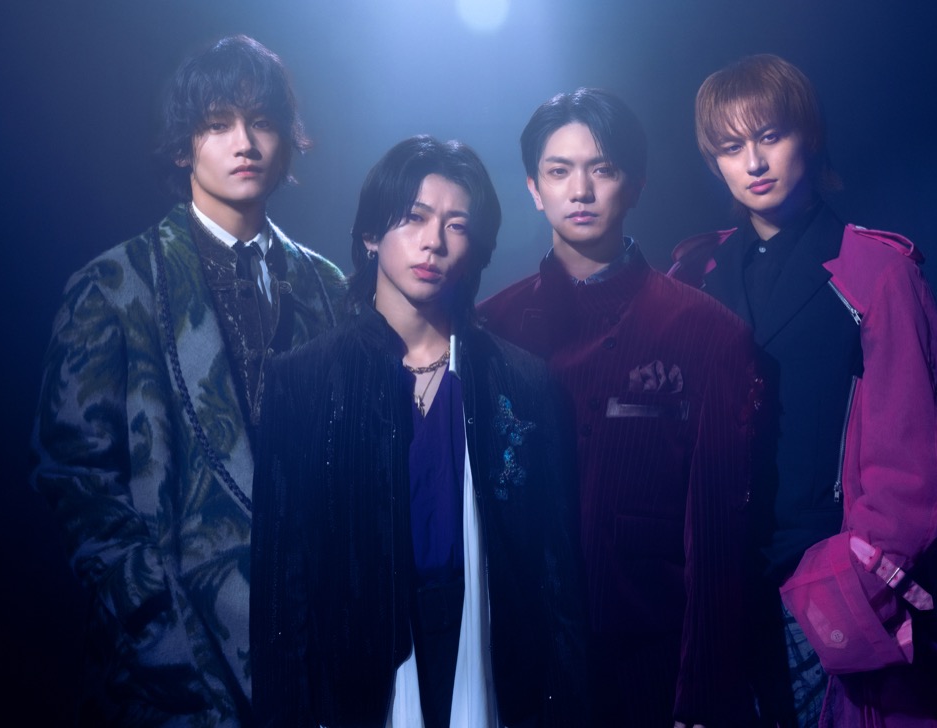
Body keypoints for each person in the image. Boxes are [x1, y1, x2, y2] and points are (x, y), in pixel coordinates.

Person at [30, 35, 345, 726]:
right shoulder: (114, 285)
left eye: (261, 122)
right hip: (171, 668)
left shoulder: (329, 288)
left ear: (286, 141)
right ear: (183, 147)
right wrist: (156, 625)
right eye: (217, 123)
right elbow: (76, 482)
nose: (245, 143)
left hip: (318, 658)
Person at [250, 135, 589, 728]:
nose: (433, 241)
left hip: (492, 655)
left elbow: (555, 577)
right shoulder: (301, 381)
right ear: (370, 234)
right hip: (357, 668)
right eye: (413, 217)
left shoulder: (523, 381)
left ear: (476, 249)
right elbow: (282, 588)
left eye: (456, 225)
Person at [669, 54, 937, 727]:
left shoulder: (877, 271)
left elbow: (914, 464)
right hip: (714, 586)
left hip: (823, 585)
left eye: (769, 136)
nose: (753, 162)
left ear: (809, 134)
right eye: (731, 147)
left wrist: (857, 579)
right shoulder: (693, 274)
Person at [479, 88, 759, 727]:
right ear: (533, 188)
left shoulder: (707, 333)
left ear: (635, 184)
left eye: (601, 169)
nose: (580, 191)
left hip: (651, 654)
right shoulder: (491, 329)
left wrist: (703, 693)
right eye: (559, 171)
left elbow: (717, 531)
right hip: (522, 655)